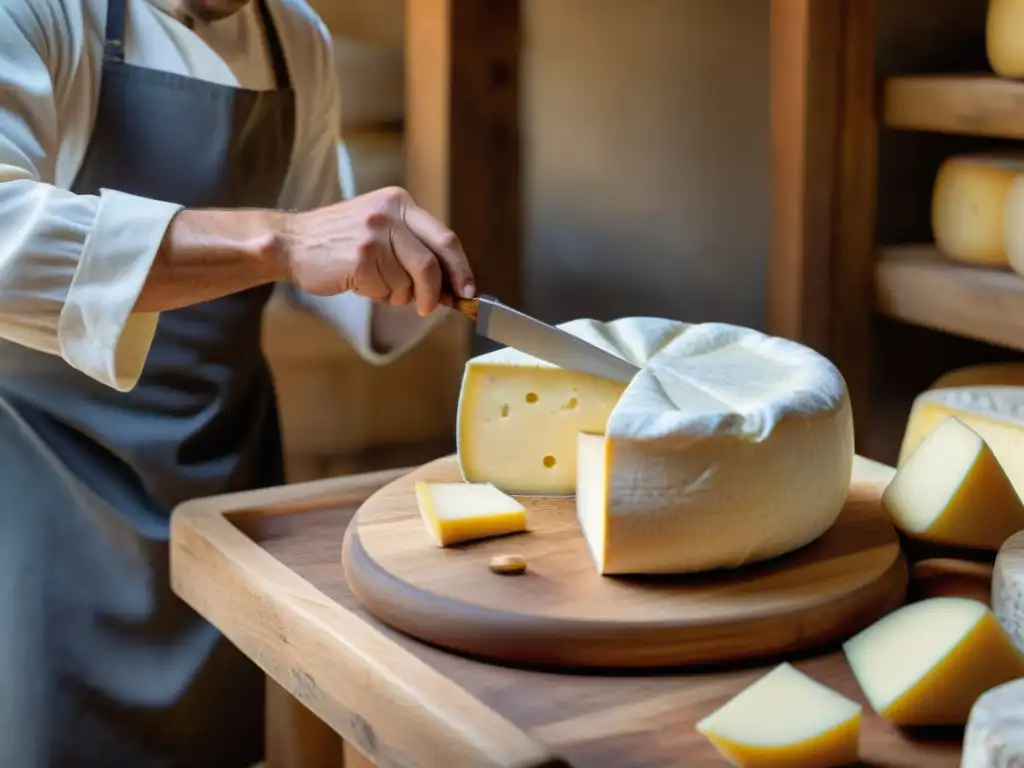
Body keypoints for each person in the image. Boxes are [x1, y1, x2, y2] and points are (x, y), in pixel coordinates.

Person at [0, 0, 476, 765]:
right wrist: (279, 241)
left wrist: (415, 284)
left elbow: (327, 248)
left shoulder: (297, 40)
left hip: (230, 480)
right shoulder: (41, 12)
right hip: (51, 487)